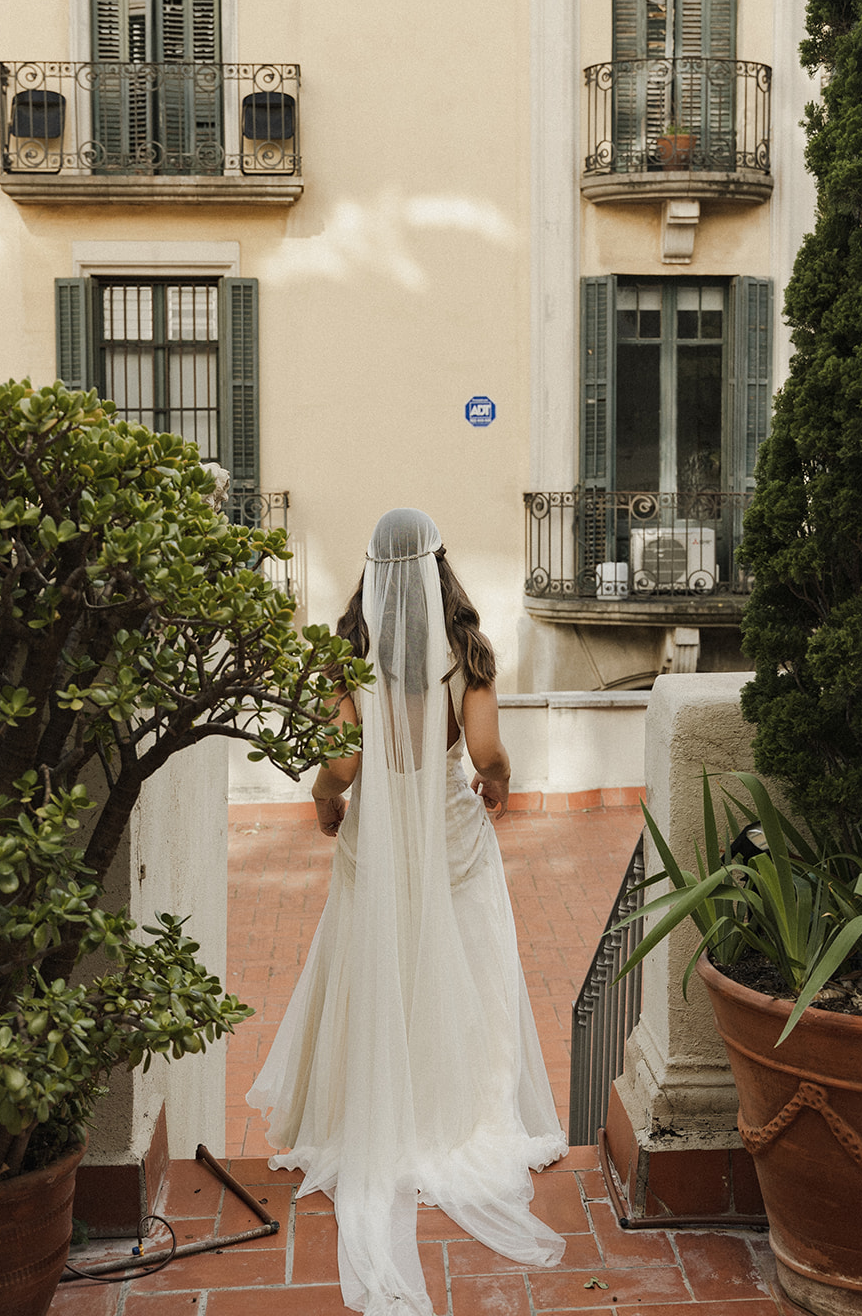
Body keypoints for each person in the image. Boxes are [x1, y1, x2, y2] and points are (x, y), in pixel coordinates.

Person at [247, 509, 567, 1316]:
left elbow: (343, 762)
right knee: (464, 964)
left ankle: (371, 1113)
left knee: (371, 961)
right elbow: (487, 754)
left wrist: (325, 800)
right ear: (438, 568)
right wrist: (495, 783)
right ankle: (454, 1115)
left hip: (377, 843)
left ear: (372, 572)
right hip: (452, 836)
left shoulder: (345, 655)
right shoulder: (467, 652)